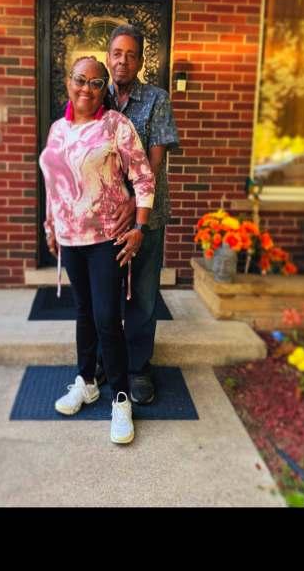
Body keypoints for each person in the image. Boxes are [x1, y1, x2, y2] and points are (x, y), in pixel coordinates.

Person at [39, 56, 155, 444]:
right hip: (70, 239)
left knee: (106, 317)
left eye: (95, 82)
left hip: (107, 238)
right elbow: (53, 183)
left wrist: (139, 227)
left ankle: (120, 397)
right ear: (68, 82)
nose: (86, 88)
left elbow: (143, 177)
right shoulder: (57, 129)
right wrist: (51, 225)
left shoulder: (116, 125)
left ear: (104, 89)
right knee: (83, 312)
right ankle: (86, 381)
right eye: (80, 80)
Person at [95, 24, 180, 405]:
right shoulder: (97, 97)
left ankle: (139, 367)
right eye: (117, 53)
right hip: (107, 217)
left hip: (149, 212)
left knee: (143, 294)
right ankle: (107, 358)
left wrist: (135, 199)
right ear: (108, 57)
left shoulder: (157, 99)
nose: (123, 61)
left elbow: (156, 160)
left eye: (131, 55)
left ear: (141, 60)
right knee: (105, 291)